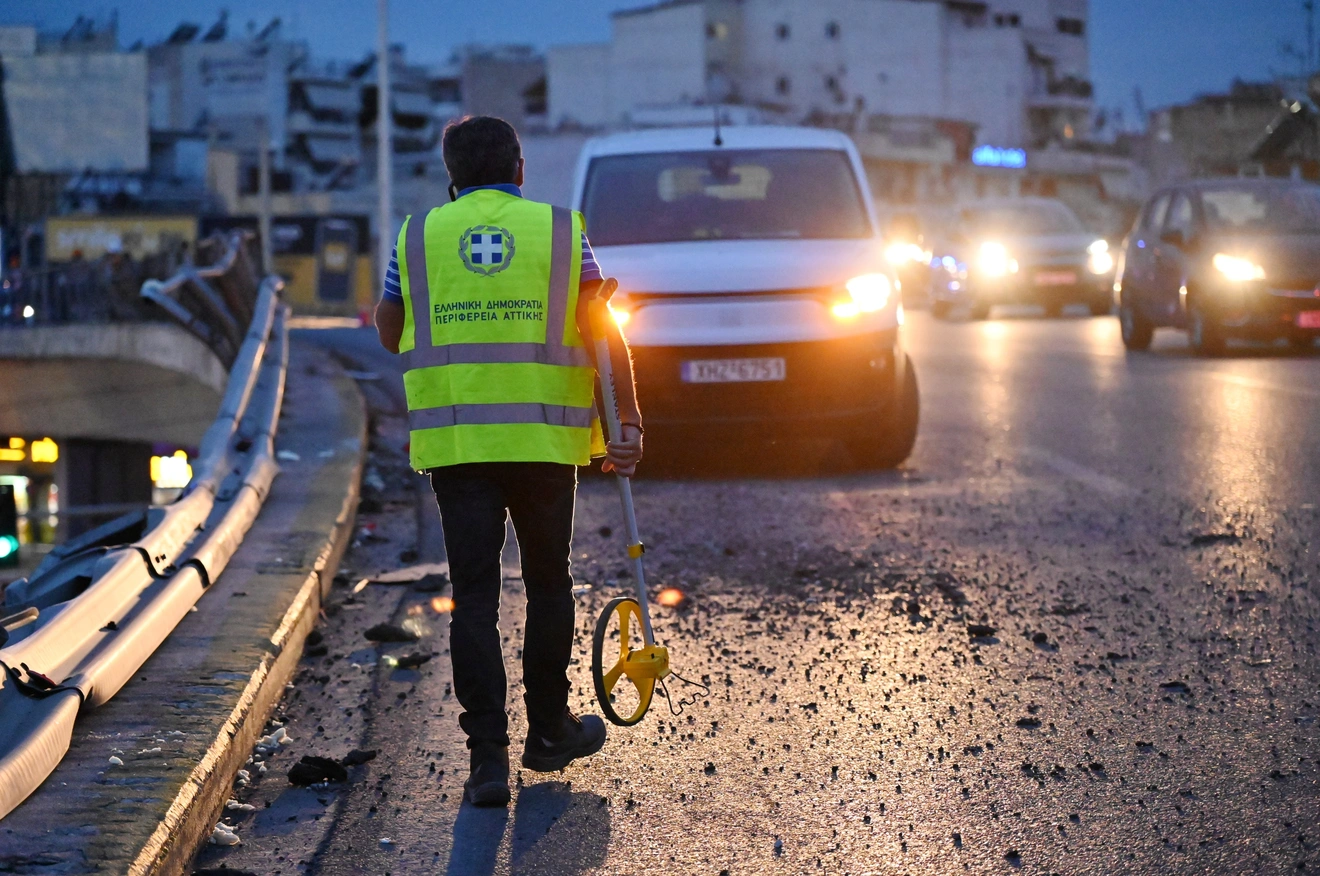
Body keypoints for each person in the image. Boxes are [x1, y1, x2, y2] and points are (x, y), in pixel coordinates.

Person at [374, 116, 643, 808]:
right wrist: (627, 424)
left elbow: (390, 332)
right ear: (520, 168)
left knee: (474, 597)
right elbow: (603, 331)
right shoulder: (561, 231)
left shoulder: (416, 236)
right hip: (543, 441)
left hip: (458, 443)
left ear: (451, 174)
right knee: (549, 584)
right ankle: (548, 732)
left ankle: (486, 761)